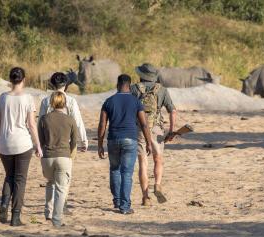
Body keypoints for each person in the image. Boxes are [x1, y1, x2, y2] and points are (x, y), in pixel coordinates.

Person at [0, 67, 43, 226]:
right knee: (20, 180)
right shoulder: (28, 98)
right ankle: (15, 217)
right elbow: (31, 124)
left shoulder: (3, 98)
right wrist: (38, 145)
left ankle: (3, 206)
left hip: (5, 143)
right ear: (24, 79)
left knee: (9, 176)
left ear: (10, 80)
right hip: (22, 144)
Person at [98, 74, 152, 214]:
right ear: (129, 85)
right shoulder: (135, 101)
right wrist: (148, 142)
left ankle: (116, 201)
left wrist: (100, 144)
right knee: (127, 173)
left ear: (118, 84)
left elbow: (102, 124)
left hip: (113, 139)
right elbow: (144, 124)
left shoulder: (109, 101)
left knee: (114, 170)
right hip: (130, 140)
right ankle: (125, 206)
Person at [131, 63, 177, 206]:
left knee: (143, 163)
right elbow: (172, 111)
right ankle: (157, 184)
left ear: (140, 75)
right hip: (156, 128)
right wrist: (171, 130)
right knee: (158, 159)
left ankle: (145, 197)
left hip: (139, 128)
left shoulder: (133, 89)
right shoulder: (162, 90)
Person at [38, 91, 78, 227]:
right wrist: (70, 152)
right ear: (65, 103)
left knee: (50, 182)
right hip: (64, 157)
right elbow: (74, 141)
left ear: (51, 103)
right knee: (61, 188)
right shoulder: (70, 120)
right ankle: (56, 219)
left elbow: (40, 140)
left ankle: (48, 212)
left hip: (47, 157)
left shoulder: (44, 119)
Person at [39, 72, 88, 152]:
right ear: (65, 85)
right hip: (67, 144)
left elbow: (40, 124)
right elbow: (78, 122)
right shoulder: (71, 101)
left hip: (48, 143)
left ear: (52, 85)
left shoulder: (45, 101)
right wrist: (83, 142)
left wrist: (39, 144)